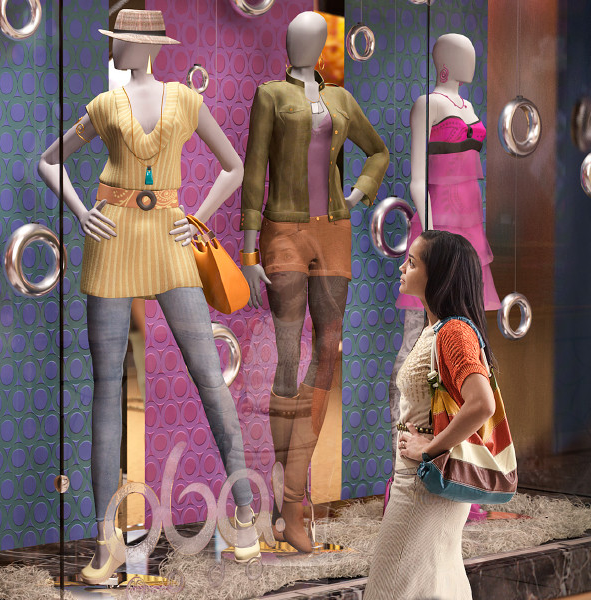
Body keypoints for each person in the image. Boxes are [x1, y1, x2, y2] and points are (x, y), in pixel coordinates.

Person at [38, 9, 259, 584]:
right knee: (105, 389)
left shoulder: (186, 100)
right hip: (112, 242)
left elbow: (233, 167)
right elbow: (48, 161)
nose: (112, 52)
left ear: (143, 47)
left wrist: (198, 219)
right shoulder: (104, 105)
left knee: (210, 376)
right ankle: (107, 542)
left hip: (167, 240)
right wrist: (85, 214)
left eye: (119, 42)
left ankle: (246, 511)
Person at [239, 11, 389, 553]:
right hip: (283, 231)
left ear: (321, 43)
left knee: (328, 349)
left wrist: (361, 191)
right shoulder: (270, 95)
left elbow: (379, 149)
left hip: (334, 233)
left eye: (311, 34)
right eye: (294, 34)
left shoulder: (343, 100)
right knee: (285, 354)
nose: (300, 41)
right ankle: (289, 503)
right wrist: (248, 247)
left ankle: (292, 496)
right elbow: (255, 171)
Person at [365, 230, 497, 600]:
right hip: (421, 479)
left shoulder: (453, 331)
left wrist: (430, 448)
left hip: (425, 483)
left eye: (413, 262)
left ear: (438, 274)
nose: (403, 267)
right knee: (434, 581)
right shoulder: (435, 329)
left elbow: (482, 403)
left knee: (391, 587)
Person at [390, 33, 500, 472]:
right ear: (445, 62)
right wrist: (431, 239)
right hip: (439, 230)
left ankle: (465, 463)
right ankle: (404, 454)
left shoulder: (469, 109)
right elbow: (418, 178)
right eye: (463, 55)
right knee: (417, 340)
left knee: (467, 345)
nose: (471, 59)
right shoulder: (428, 104)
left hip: (471, 232)